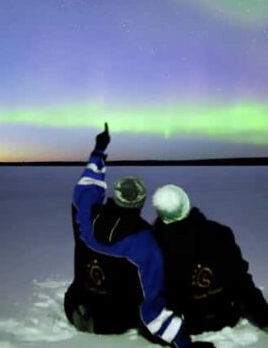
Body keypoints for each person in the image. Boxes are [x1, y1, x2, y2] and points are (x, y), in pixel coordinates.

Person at [64, 123, 214, 348]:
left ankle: (87, 309)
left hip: (77, 304)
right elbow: (151, 309)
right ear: (142, 202)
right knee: (157, 291)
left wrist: (99, 149)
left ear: (115, 196)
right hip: (113, 321)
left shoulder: (85, 215)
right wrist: (185, 343)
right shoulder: (145, 243)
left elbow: (87, 187)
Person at [152, 184, 268, 340]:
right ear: (187, 205)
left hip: (188, 323)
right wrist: (267, 321)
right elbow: (242, 281)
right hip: (224, 317)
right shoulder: (219, 232)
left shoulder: (153, 244)